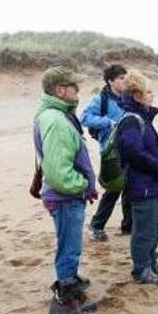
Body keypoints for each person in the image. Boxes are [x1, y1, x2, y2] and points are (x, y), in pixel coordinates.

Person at [33, 66, 97, 294]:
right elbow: (59, 173)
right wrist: (82, 186)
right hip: (65, 197)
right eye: (74, 87)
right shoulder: (56, 120)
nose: (78, 91)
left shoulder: (56, 115)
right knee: (69, 246)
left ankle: (70, 276)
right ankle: (67, 292)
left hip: (64, 196)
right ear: (60, 90)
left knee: (70, 244)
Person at [116, 70, 158, 284]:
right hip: (142, 186)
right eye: (148, 92)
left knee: (155, 229)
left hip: (152, 183)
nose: (152, 96)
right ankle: (141, 270)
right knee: (144, 231)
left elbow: (145, 151)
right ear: (136, 95)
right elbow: (135, 155)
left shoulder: (141, 118)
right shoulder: (131, 120)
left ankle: (151, 262)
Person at [81, 64, 132, 241]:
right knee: (113, 189)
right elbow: (85, 118)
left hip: (131, 149)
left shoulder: (129, 97)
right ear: (111, 81)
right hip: (111, 152)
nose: (124, 81)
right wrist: (107, 122)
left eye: (125, 77)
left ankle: (128, 226)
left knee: (130, 187)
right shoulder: (101, 99)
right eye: (120, 78)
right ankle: (97, 226)